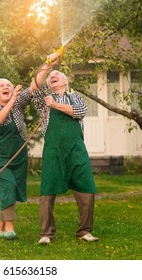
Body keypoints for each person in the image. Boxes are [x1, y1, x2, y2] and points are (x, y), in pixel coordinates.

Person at [0, 53, 59, 240]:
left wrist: (48, 65)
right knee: (8, 185)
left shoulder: (18, 102)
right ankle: (9, 227)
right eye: (2, 86)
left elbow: (35, 85)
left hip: (18, 154)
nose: (6, 87)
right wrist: (12, 100)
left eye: (9, 85)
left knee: (12, 188)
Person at [31, 69, 99, 244]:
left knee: (86, 186)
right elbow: (35, 85)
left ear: (65, 81)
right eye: (50, 77)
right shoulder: (43, 100)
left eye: (56, 74)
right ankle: (46, 233)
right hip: (53, 150)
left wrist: (55, 105)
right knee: (48, 188)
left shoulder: (75, 98)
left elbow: (80, 111)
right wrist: (48, 65)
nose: (52, 76)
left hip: (76, 149)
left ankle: (84, 231)